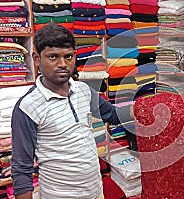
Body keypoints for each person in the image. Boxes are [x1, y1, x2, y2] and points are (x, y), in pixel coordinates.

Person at [11, 23, 133, 199]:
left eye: (68, 56)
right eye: (53, 57)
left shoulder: (83, 91)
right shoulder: (27, 107)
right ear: (37, 59)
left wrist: (150, 108)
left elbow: (113, 115)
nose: (62, 64)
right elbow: (22, 169)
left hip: (96, 192)